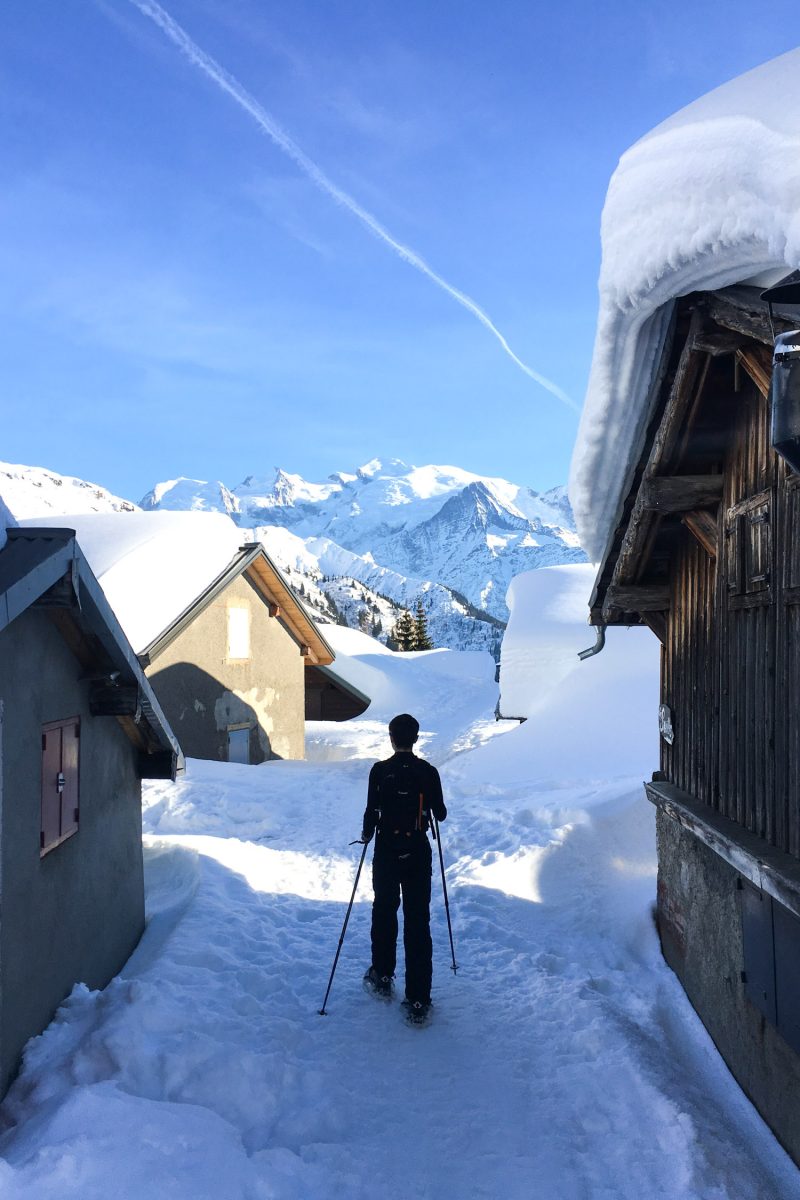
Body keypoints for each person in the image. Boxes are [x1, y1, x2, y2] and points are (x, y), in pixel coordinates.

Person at [361, 713, 447, 1023]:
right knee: (417, 920)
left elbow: (372, 812)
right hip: (418, 851)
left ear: (391, 737)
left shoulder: (380, 771)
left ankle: (383, 975)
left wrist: (365, 836)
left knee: (384, 910)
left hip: (386, 850)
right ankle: (419, 999)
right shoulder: (428, 771)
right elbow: (441, 813)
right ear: (416, 738)